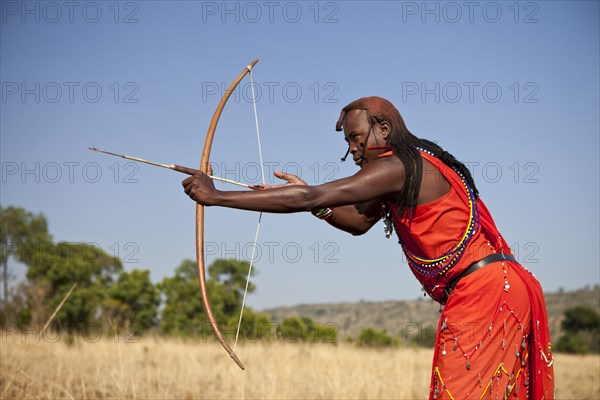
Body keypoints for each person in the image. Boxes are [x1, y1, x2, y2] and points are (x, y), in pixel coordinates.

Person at [177, 97, 554, 399]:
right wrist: (311, 203)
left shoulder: (396, 167)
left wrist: (216, 197)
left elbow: (311, 194)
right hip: (490, 290)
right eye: (347, 143)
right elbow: (357, 222)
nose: (353, 150)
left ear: (383, 130)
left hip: (488, 293)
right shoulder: (400, 173)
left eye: (357, 139)